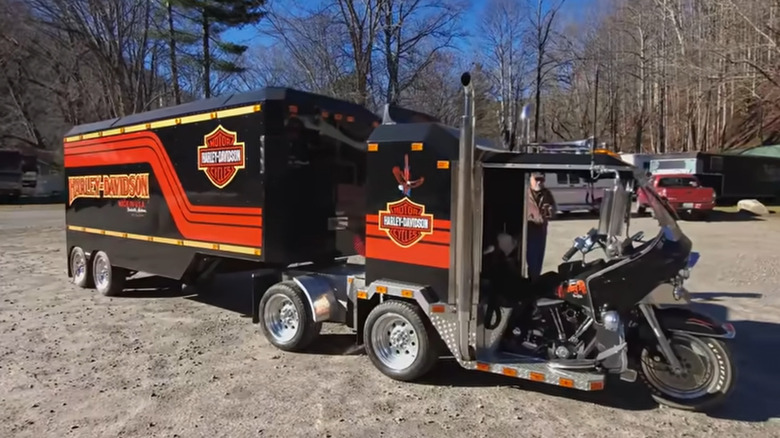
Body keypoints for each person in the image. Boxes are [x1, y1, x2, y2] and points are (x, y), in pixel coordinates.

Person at [526, 172, 557, 279]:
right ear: (530, 179)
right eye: (536, 179)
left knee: (538, 258)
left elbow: (554, 211)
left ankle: (534, 281)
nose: (539, 182)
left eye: (541, 180)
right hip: (527, 229)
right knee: (528, 257)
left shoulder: (547, 194)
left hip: (541, 230)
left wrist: (550, 211)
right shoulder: (525, 193)